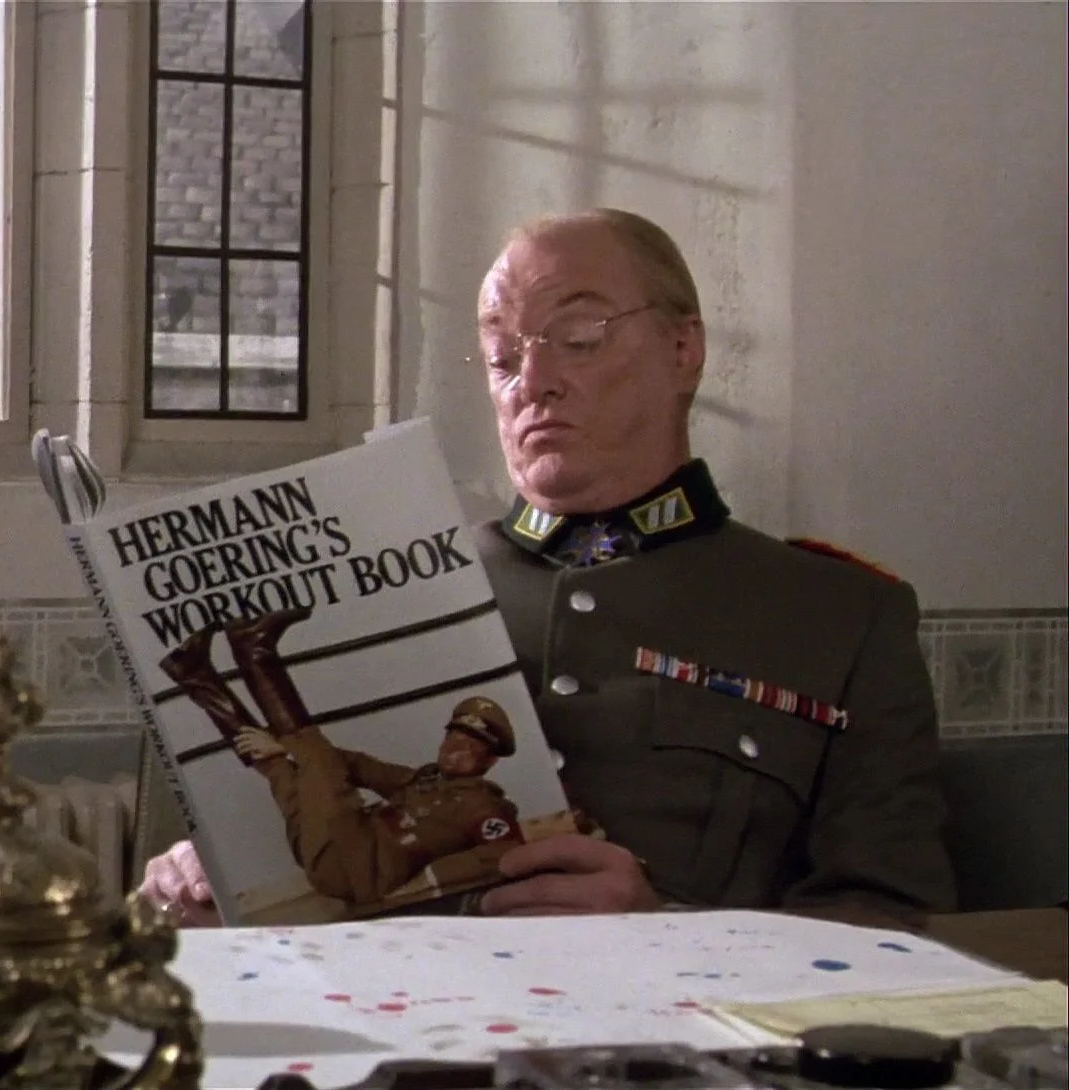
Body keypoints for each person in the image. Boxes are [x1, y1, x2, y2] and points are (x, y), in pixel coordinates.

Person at [141, 208, 957, 928]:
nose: (532, 383)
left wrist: (670, 933)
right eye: (502, 357)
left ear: (683, 350)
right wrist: (199, 886)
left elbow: (897, 924)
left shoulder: (837, 616)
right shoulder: (384, 593)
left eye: (578, 340)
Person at [232, 694, 524, 910]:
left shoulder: (484, 807)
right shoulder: (423, 779)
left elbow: (505, 853)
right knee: (278, 767)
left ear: (490, 760)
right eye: (453, 738)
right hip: (330, 849)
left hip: (360, 871)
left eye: (471, 746)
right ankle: (205, 679)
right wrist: (282, 748)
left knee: (313, 755)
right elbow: (361, 766)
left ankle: (258, 654)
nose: (455, 750)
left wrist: (427, 883)